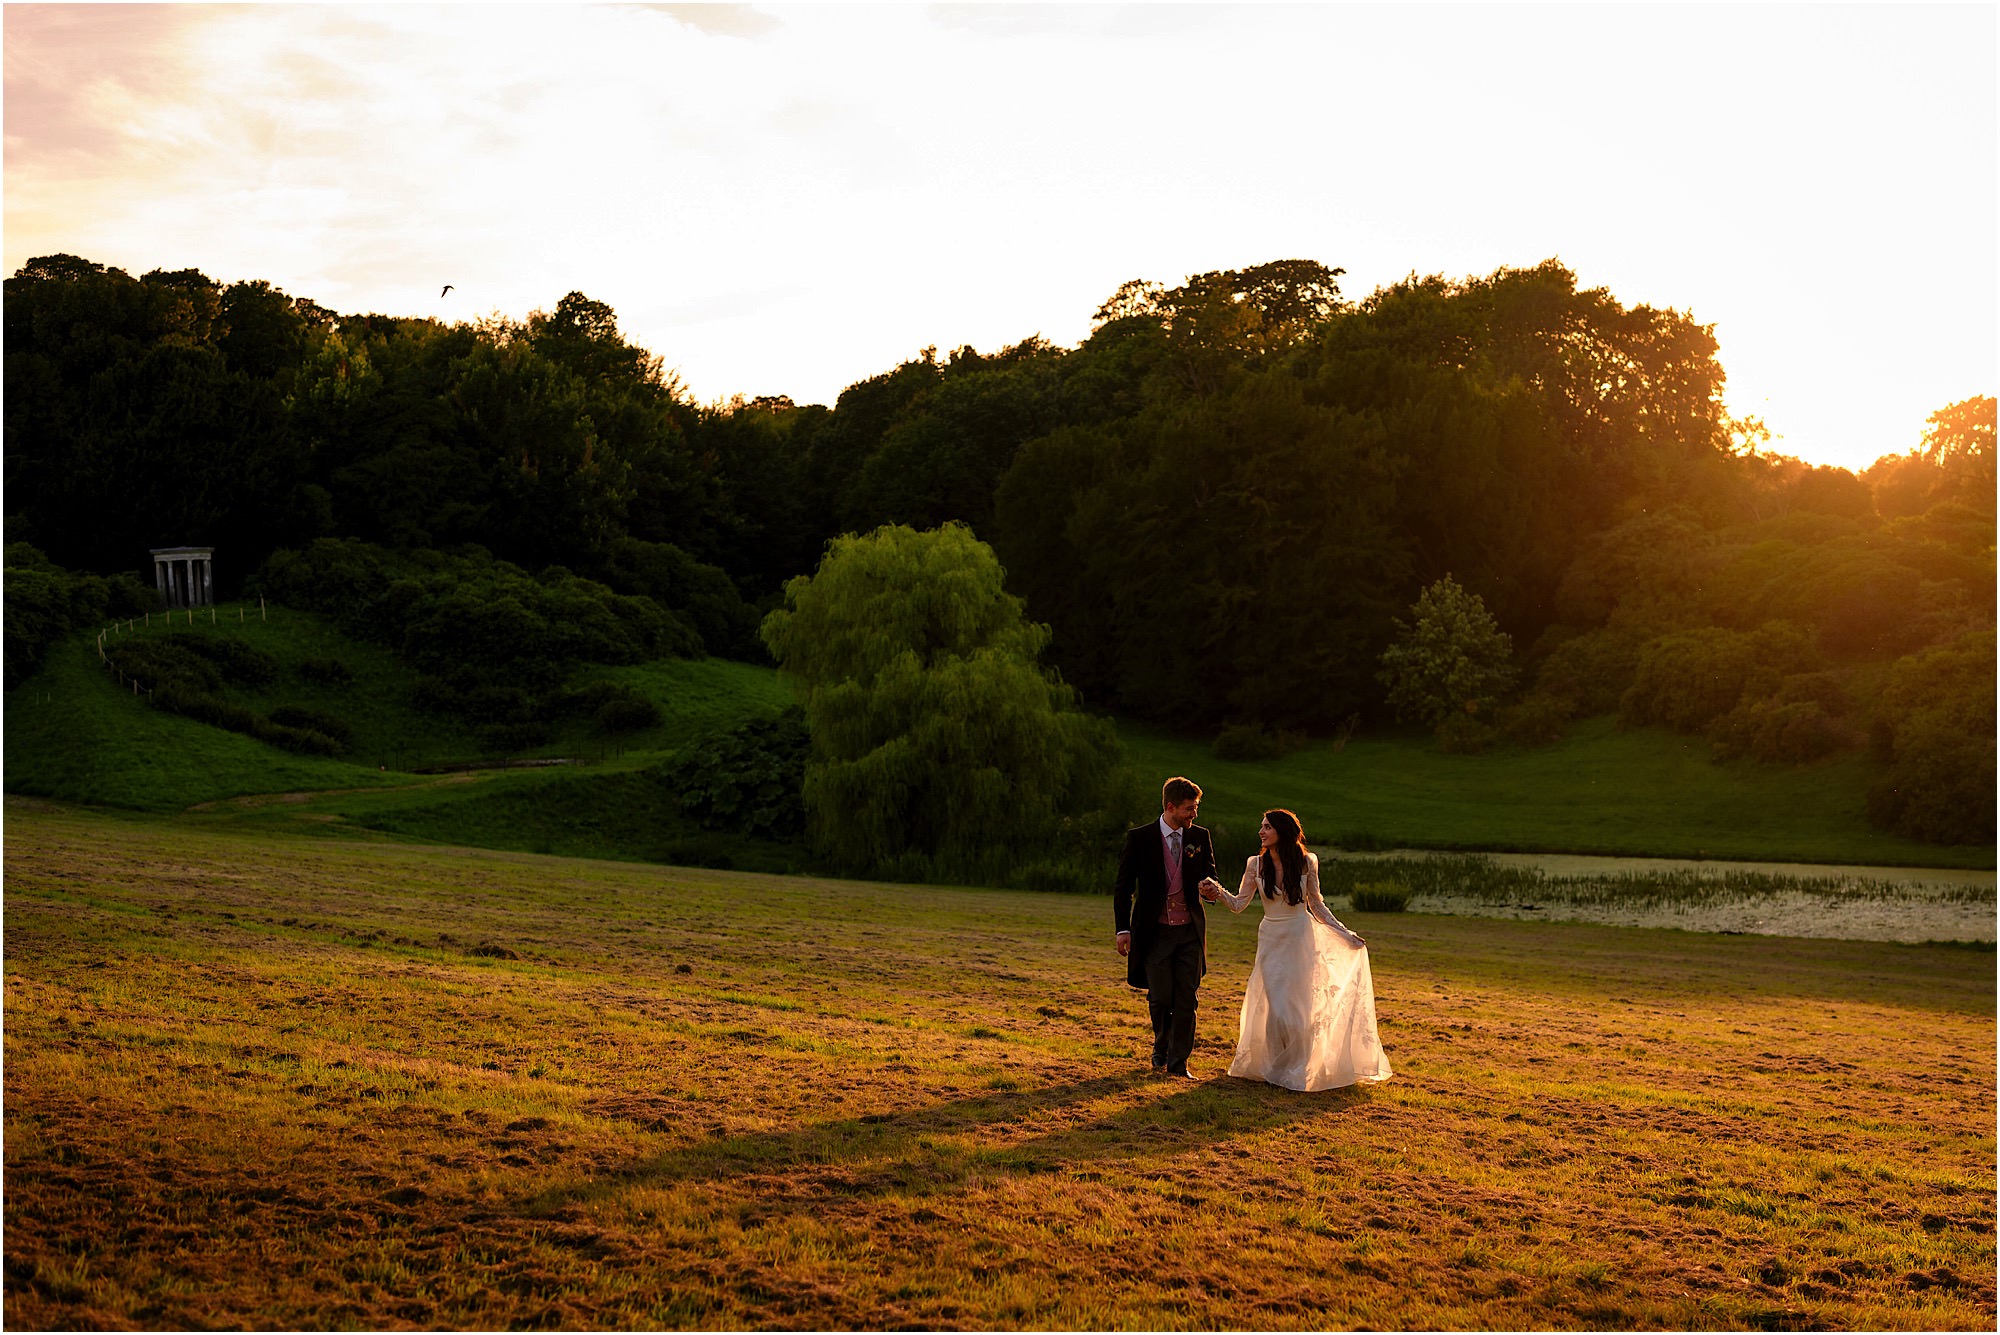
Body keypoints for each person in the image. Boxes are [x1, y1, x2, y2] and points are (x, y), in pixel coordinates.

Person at [1209, 808, 1392, 1092]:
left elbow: (1317, 906)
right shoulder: (1255, 864)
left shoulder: (1307, 862)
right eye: (1262, 827)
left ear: (1283, 831)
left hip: (1300, 937)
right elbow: (1238, 904)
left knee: (1298, 1006)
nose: (1261, 832)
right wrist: (1217, 890)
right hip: (1271, 938)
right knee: (1276, 1007)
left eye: (1267, 827)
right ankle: (1274, 1066)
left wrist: (1345, 933)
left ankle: (1298, 1067)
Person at [1113, 776, 1221, 1079]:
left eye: (1196, 808)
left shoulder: (1200, 837)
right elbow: (1123, 888)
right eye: (1189, 808)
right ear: (1170, 807)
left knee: (1187, 998)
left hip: (1189, 932)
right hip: (1155, 932)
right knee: (1160, 997)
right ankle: (1161, 1047)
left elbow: (1210, 875)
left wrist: (1209, 889)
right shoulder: (1140, 838)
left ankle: (1178, 1064)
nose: (1194, 814)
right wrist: (1123, 929)